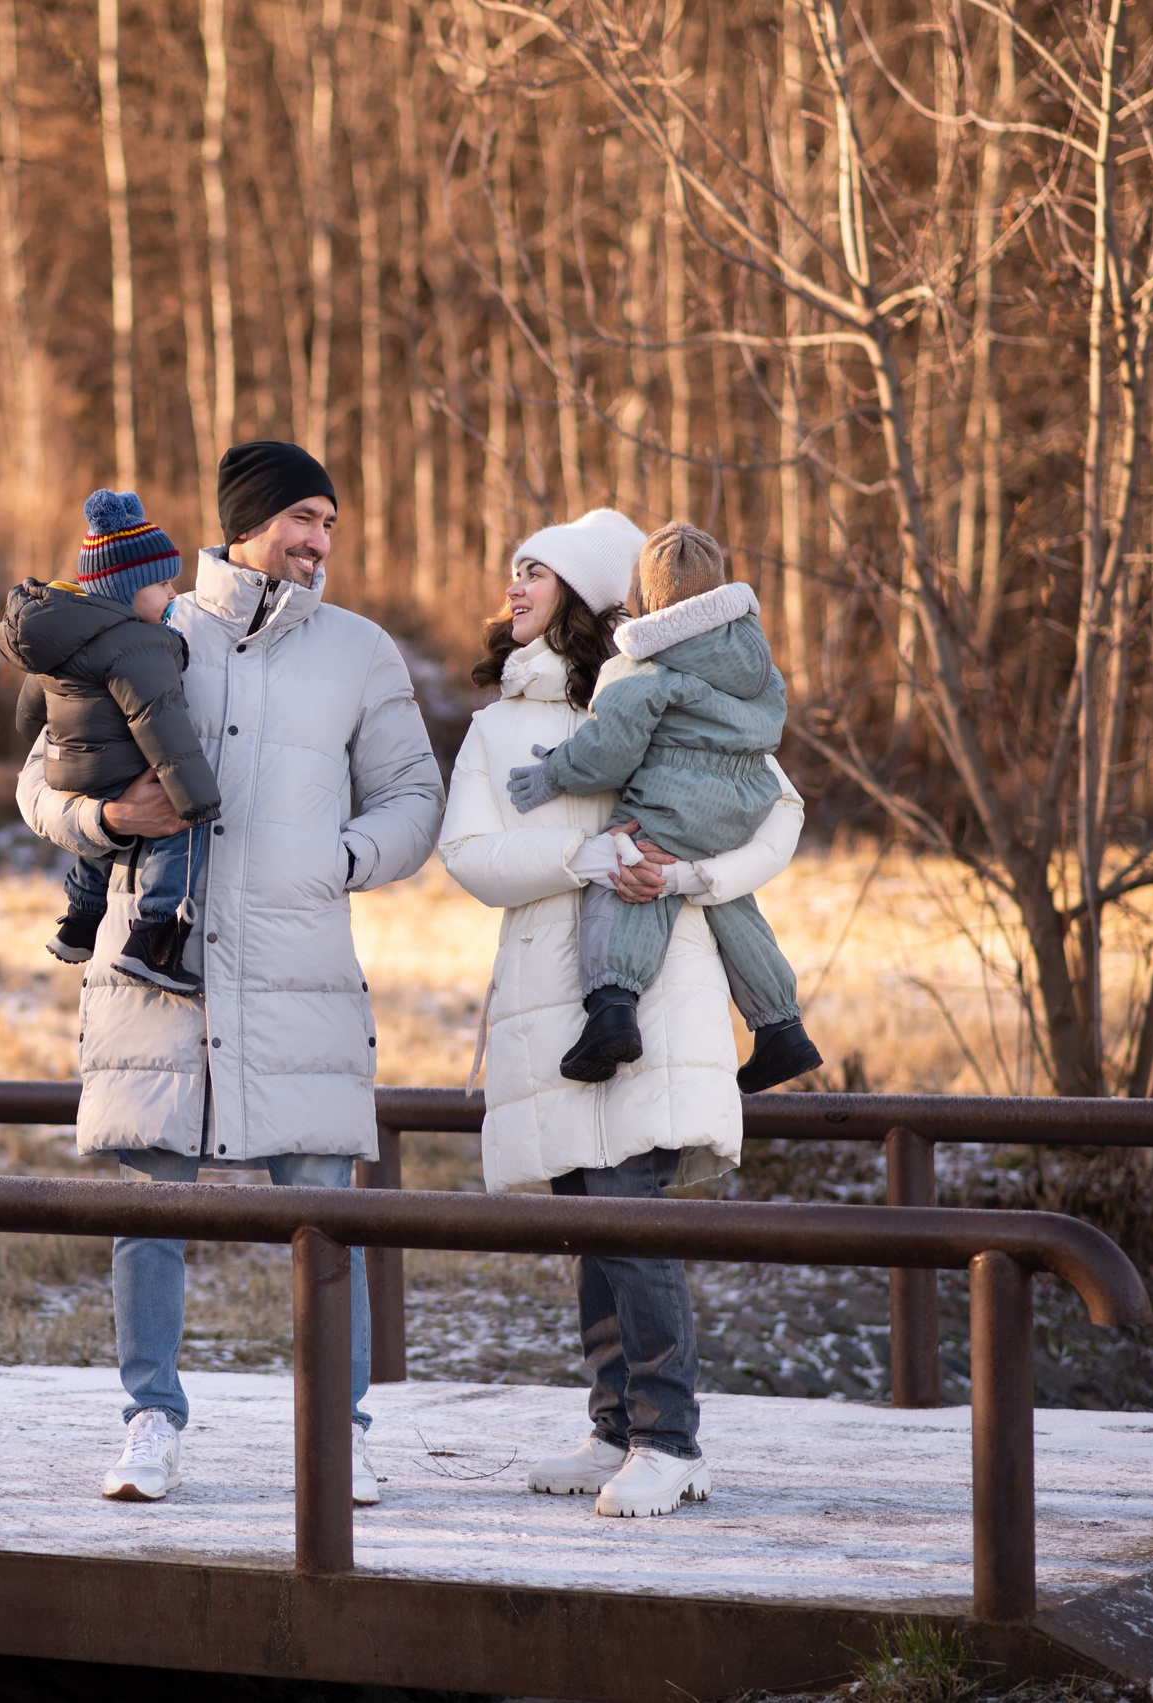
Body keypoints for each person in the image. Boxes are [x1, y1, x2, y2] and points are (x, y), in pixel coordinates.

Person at [15, 441, 443, 1509]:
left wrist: (337, 860)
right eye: (303, 517)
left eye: (331, 523)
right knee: (149, 1209)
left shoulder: (360, 650)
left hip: (300, 967)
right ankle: (149, 1420)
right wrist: (109, 817)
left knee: (325, 1216)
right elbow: (39, 780)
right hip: (157, 968)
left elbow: (412, 799)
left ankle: (337, 1433)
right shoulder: (145, 627)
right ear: (245, 522)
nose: (319, 541)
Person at [436, 508, 805, 1519]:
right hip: (550, 1004)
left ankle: (668, 1438)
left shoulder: (677, 690)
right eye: (508, 569)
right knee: (589, 1220)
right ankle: (613, 1429)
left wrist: (688, 871)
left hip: (660, 988)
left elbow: (781, 814)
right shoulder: (498, 726)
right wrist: (577, 857)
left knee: (631, 1214)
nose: (510, 587)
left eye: (534, 572)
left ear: (592, 592)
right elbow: (467, 857)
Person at [501, 522, 823, 1093]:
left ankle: (612, 1009)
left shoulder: (645, 663)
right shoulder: (755, 660)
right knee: (732, 907)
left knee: (631, 874)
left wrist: (555, 772)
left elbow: (609, 751)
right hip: (746, 800)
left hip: (677, 799)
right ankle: (782, 1028)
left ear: (648, 599)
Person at [0, 489, 223, 991]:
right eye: (162, 584)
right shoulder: (140, 642)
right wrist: (196, 801)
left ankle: (80, 921)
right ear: (125, 590)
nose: (172, 595)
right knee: (177, 831)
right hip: (122, 767)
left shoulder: (64, 632)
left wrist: (43, 732)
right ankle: (154, 939)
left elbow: (30, 708)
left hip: (69, 769)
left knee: (101, 841)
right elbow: (162, 725)